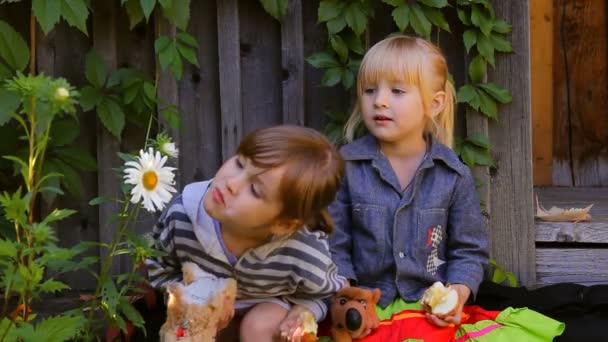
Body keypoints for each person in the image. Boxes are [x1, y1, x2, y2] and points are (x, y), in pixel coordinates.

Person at [328, 34, 488, 331]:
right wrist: (345, 293)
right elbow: (334, 243)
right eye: (370, 90)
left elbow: (468, 250)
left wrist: (457, 293)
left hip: (428, 312)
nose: (380, 101)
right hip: (365, 310)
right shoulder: (347, 167)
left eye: (397, 91)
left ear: (435, 103)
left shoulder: (453, 175)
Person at [146, 125, 347, 342]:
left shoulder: (303, 250)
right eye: (240, 163)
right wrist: (188, 301)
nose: (232, 183)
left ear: (283, 224)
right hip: (204, 307)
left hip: (267, 307)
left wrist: (302, 313)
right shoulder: (182, 215)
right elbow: (158, 266)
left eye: (254, 190)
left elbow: (324, 293)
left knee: (258, 326)